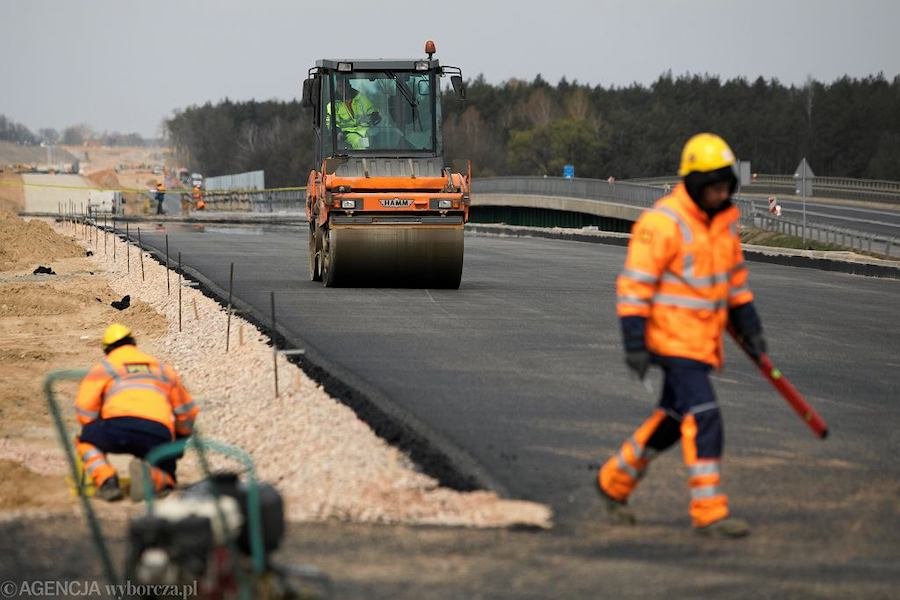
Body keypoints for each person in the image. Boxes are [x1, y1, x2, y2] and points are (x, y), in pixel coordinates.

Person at [596, 133, 766, 538]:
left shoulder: (725, 225)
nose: (720, 191)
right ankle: (708, 511)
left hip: (702, 342)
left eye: (726, 184)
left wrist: (752, 329)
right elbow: (635, 285)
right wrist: (634, 342)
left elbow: (736, 287)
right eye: (712, 185)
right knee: (705, 416)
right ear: (693, 183)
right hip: (670, 341)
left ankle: (613, 482)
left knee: (673, 420)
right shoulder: (663, 222)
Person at [74, 323, 199, 501]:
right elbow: (187, 411)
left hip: (117, 428)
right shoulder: (162, 369)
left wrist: (95, 426)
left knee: (86, 441)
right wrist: (179, 439)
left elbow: (85, 408)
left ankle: (106, 480)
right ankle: (156, 480)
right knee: (166, 472)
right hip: (157, 432)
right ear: (133, 343)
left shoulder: (106, 367)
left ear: (107, 349)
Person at [326, 77, 382, 150]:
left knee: (383, 138)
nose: (342, 89)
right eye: (340, 86)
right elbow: (331, 123)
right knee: (360, 142)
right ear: (336, 88)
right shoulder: (333, 105)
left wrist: (375, 116)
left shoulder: (360, 98)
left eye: (344, 86)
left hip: (365, 130)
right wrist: (338, 132)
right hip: (348, 133)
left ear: (349, 86)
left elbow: (372, 110)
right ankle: (364, 160)